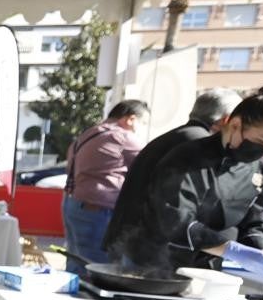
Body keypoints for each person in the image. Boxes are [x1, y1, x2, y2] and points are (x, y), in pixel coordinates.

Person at [139, 86, 263, 270]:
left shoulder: (258, 169)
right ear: (235, 124)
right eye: (262, 141)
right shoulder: (187, 156)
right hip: (158, 261)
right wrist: (233, 250)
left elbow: (257, 218)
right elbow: (174, 219)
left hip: (210, 267)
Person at [103, 88, 241, 251]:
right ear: (226, 120)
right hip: (145, 244)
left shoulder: (178, 136)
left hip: (131, 236)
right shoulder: (198, 145)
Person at [61, 99, 148, 273]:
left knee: (75, 261)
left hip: (72, 203)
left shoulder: (88, 133)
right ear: (130, 119)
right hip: (97, 210)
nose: (142, 128)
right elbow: (150, 160)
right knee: (96, 268)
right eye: (143, 122)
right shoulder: (122, 137)